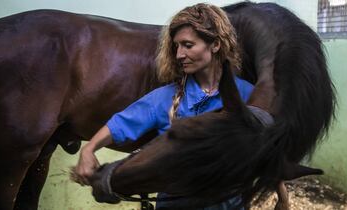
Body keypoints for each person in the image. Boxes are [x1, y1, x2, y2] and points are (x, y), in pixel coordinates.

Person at [75, 3, 253, 209]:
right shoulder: (166, 98)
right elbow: (121, 124)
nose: (179, 55)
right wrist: (88, 150)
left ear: (215, 45)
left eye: (188, 45)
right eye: (177, 46)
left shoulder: (248, 95)